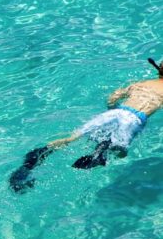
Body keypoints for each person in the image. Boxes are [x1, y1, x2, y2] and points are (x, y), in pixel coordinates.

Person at [10, 58, 163, 193]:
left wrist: (112, 109)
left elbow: (113, 97)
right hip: (134, 120)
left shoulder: (141, 83)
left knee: (71, 138)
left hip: (115, 113)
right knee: (120, 151)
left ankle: (30, 163)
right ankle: (97, 156)